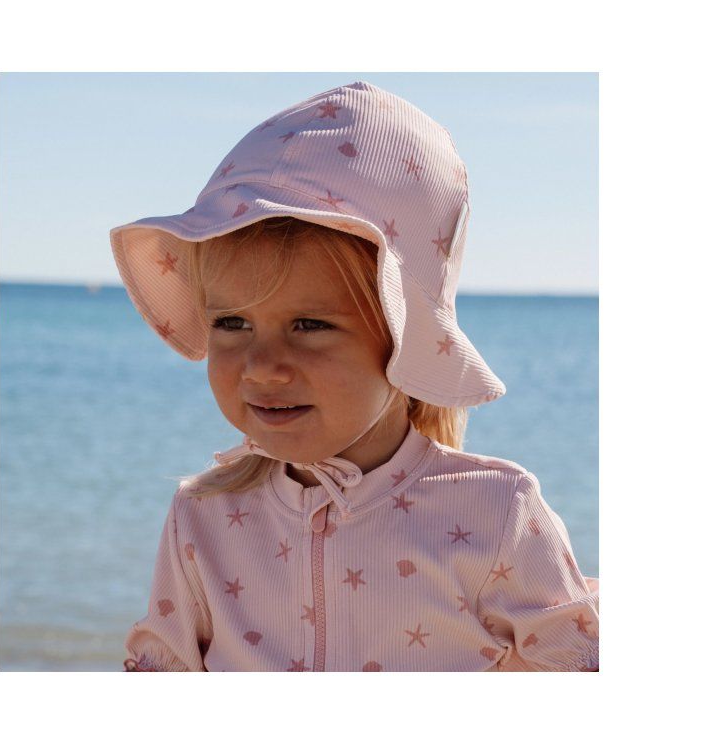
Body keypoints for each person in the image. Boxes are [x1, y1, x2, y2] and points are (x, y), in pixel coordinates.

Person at [109, 81, 598, 672]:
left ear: (404, 339)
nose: (262, 366)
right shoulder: (204, 516)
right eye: (232, 322)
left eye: (310, 325)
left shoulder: (493, 511)